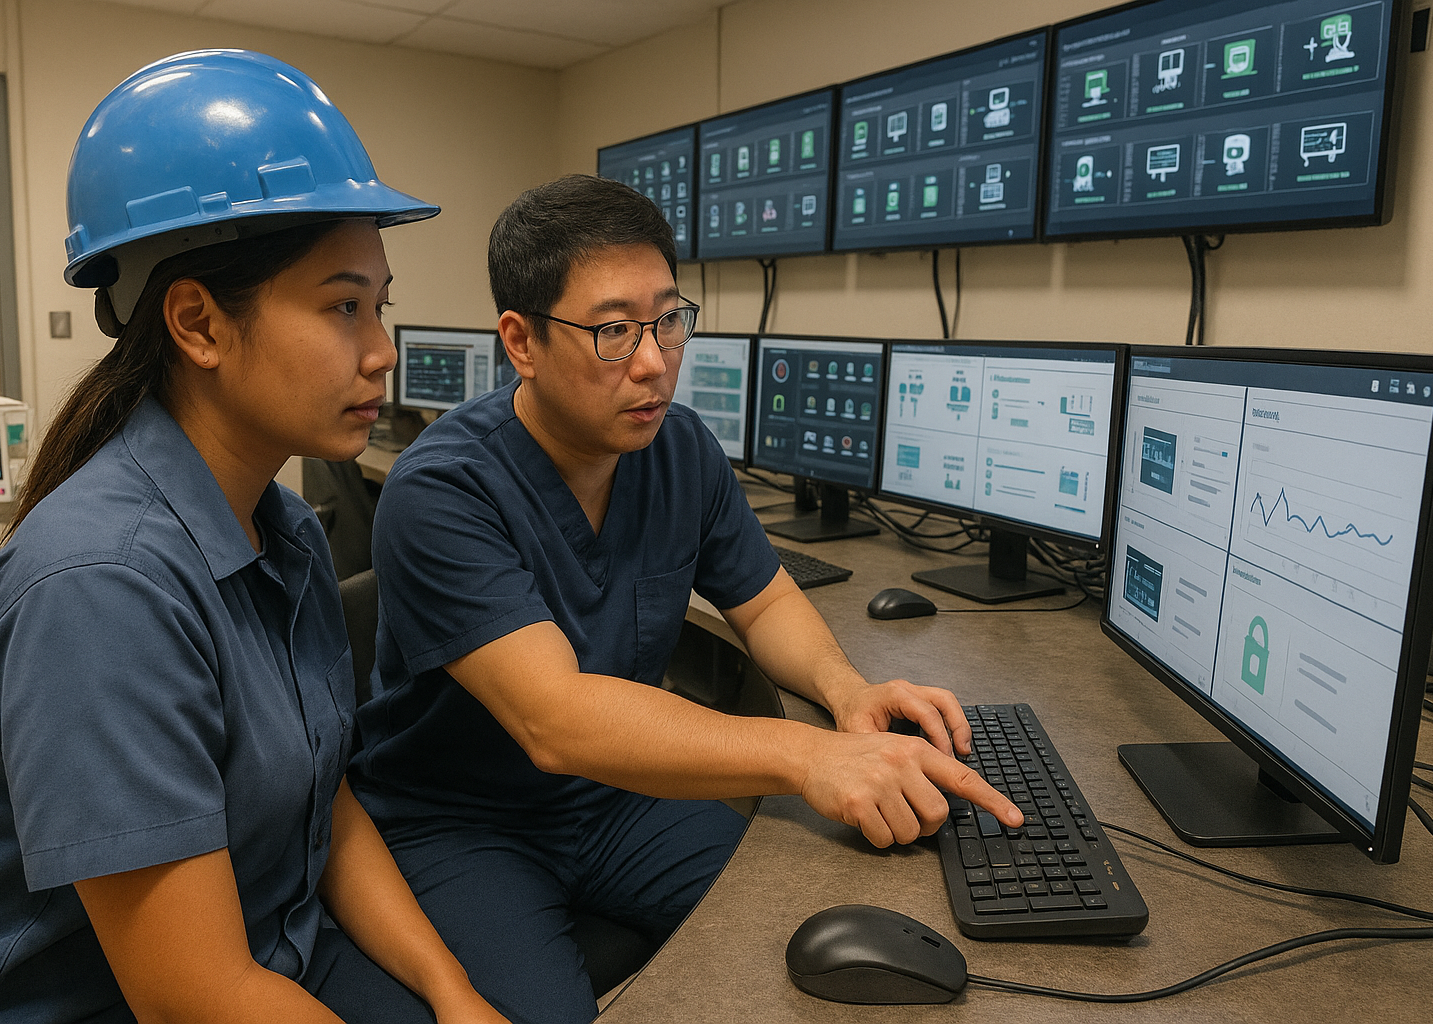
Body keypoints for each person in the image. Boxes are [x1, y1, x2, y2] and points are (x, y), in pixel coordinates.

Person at [349, 173, 1023, 1024]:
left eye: (669, 320)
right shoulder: (442, 489)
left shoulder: (678, 448)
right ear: (520, 342)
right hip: (461, 821)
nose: (654, 361)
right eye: (614, 331)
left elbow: (765, 602)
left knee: (805, 930)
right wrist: (805, 755)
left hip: (616, 797)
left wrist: (849, 695)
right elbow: (556, 721)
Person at [0, 50, 506, 1024]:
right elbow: (192, 994)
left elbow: (321, 801)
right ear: (198, 322)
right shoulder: (100, 589)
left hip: (272, 957)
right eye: (341, 306)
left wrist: (455, 993)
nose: (382, 351)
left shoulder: (281, 528)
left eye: (381, 304)